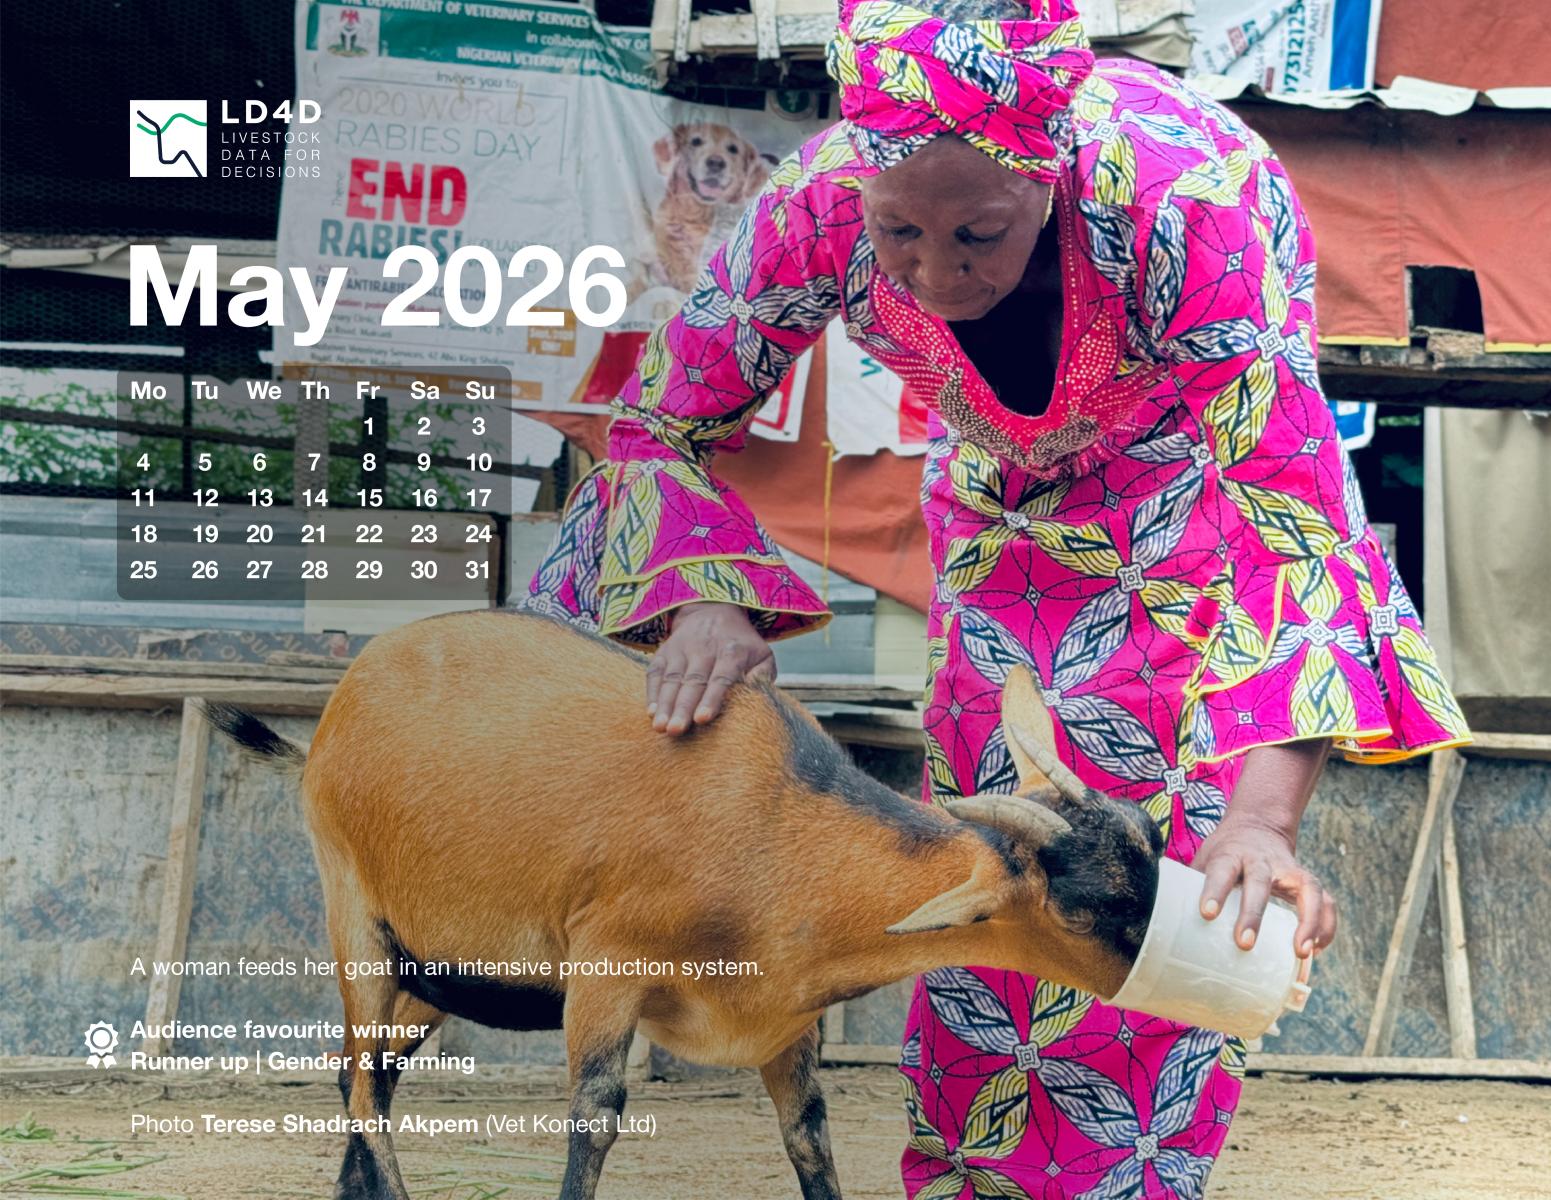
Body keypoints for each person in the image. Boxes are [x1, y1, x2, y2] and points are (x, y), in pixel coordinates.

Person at [524, 1, 1473, 1194]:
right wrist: (705, 594)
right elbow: (663, 414)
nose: (934, 271)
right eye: (899, 237)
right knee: (994, 863)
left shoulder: (1189, 209)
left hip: (1187, 497)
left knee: (1159, 885)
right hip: (997, 503)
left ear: (1052, 176)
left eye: (977, 232)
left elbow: (1296, 516)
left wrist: (1262, 821)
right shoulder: (817, 205)